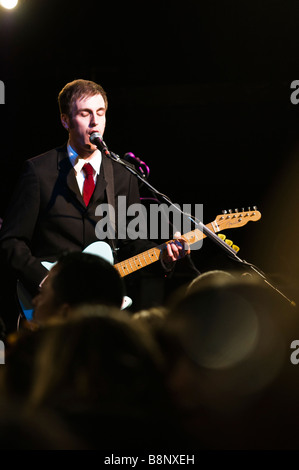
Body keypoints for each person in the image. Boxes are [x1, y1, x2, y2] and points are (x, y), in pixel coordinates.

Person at [0, 79, 186, 333]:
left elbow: (131, 242)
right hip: (51, 307)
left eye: (100, 113)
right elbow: (11, 241)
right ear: (65, 120)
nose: (95, 121)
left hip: (100, 312)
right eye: (85, 113)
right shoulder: (39, 171)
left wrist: (163, 256)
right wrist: (45, 280)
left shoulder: (123, 174)